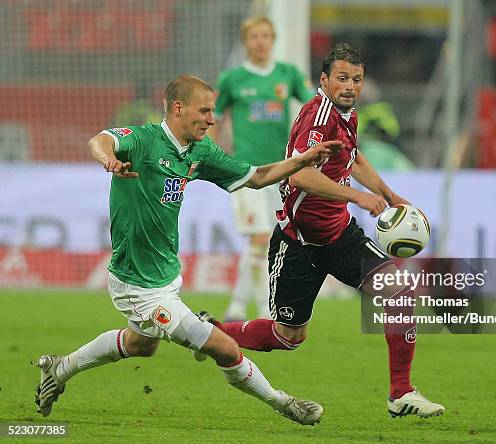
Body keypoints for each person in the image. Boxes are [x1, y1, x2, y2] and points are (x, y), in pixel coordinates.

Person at [32, 74, 343, 425]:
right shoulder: (144, 140)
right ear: (178, 108)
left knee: (140, 345)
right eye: (205, 110)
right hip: (136, 283)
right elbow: (100, 139)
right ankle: (284, 403)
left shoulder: (200, 150)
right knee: (223, 347)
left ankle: (59, 370)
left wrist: (302, 160)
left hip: (166, 275)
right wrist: (108, 160)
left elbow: (256, 177)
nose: (212, 119)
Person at [202, 44, 445, 418]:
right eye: (343, 78)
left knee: (398, 292)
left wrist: (389, 194)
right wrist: (357, 197)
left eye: (357, 79)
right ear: (325, 80)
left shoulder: (347, 115)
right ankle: (211, 332)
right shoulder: (318, 117)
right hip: (298, 243)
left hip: (340, 235)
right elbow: (300, 174)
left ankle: (401, 392)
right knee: (288, 336)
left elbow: (353, 157)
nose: (350, 86)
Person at [212, 16, 314, 321]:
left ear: (273, 39)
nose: (261, 41)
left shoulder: (288, 75)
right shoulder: (232, 79)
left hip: (281, 171)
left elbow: (314, 109)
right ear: (246, 41)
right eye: (255, 36)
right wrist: (216, 157)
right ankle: (258, 311)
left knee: (269, 238)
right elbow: (213, 120)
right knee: (258, 238)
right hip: (247, 172)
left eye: (266, 35)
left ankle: (238, 308)